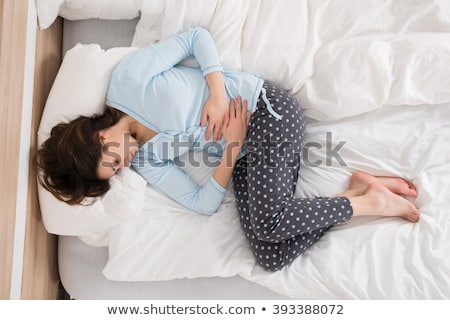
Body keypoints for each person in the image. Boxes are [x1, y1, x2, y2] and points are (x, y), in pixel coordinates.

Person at [37, 27, 420, 271]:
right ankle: (357, 193)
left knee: (270, 225)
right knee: (271, 257)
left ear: (101, 137)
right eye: (118, 171)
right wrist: (232, 148)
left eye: (116, 160)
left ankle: (369, 202)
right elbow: (202, 202)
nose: (127, 164)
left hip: (266, 110)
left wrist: (217, 94)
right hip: (244, 151)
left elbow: (195, 38)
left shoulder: (129, 81)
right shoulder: (147, 163)